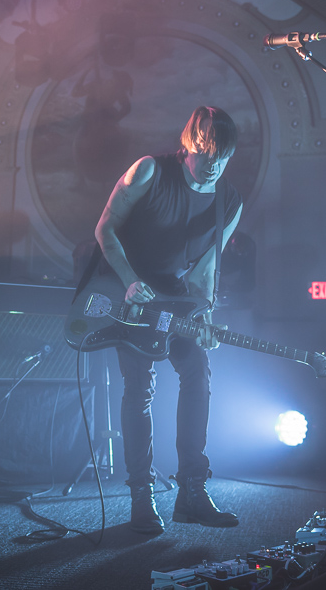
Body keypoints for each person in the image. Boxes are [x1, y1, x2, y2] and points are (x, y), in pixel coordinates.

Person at [94, 105, 243, 534]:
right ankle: (142, 498)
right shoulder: (147, 172)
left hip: (175, 300)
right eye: (207, 154)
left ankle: (192, 492)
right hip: (123, 294)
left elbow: (206, 270)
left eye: (224, 157)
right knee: (139, 388)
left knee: (198, 373)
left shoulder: (228, 200)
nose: (214, 166)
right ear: (188, 145)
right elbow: (106, 228)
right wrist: (129, 281)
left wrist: (206, 317)